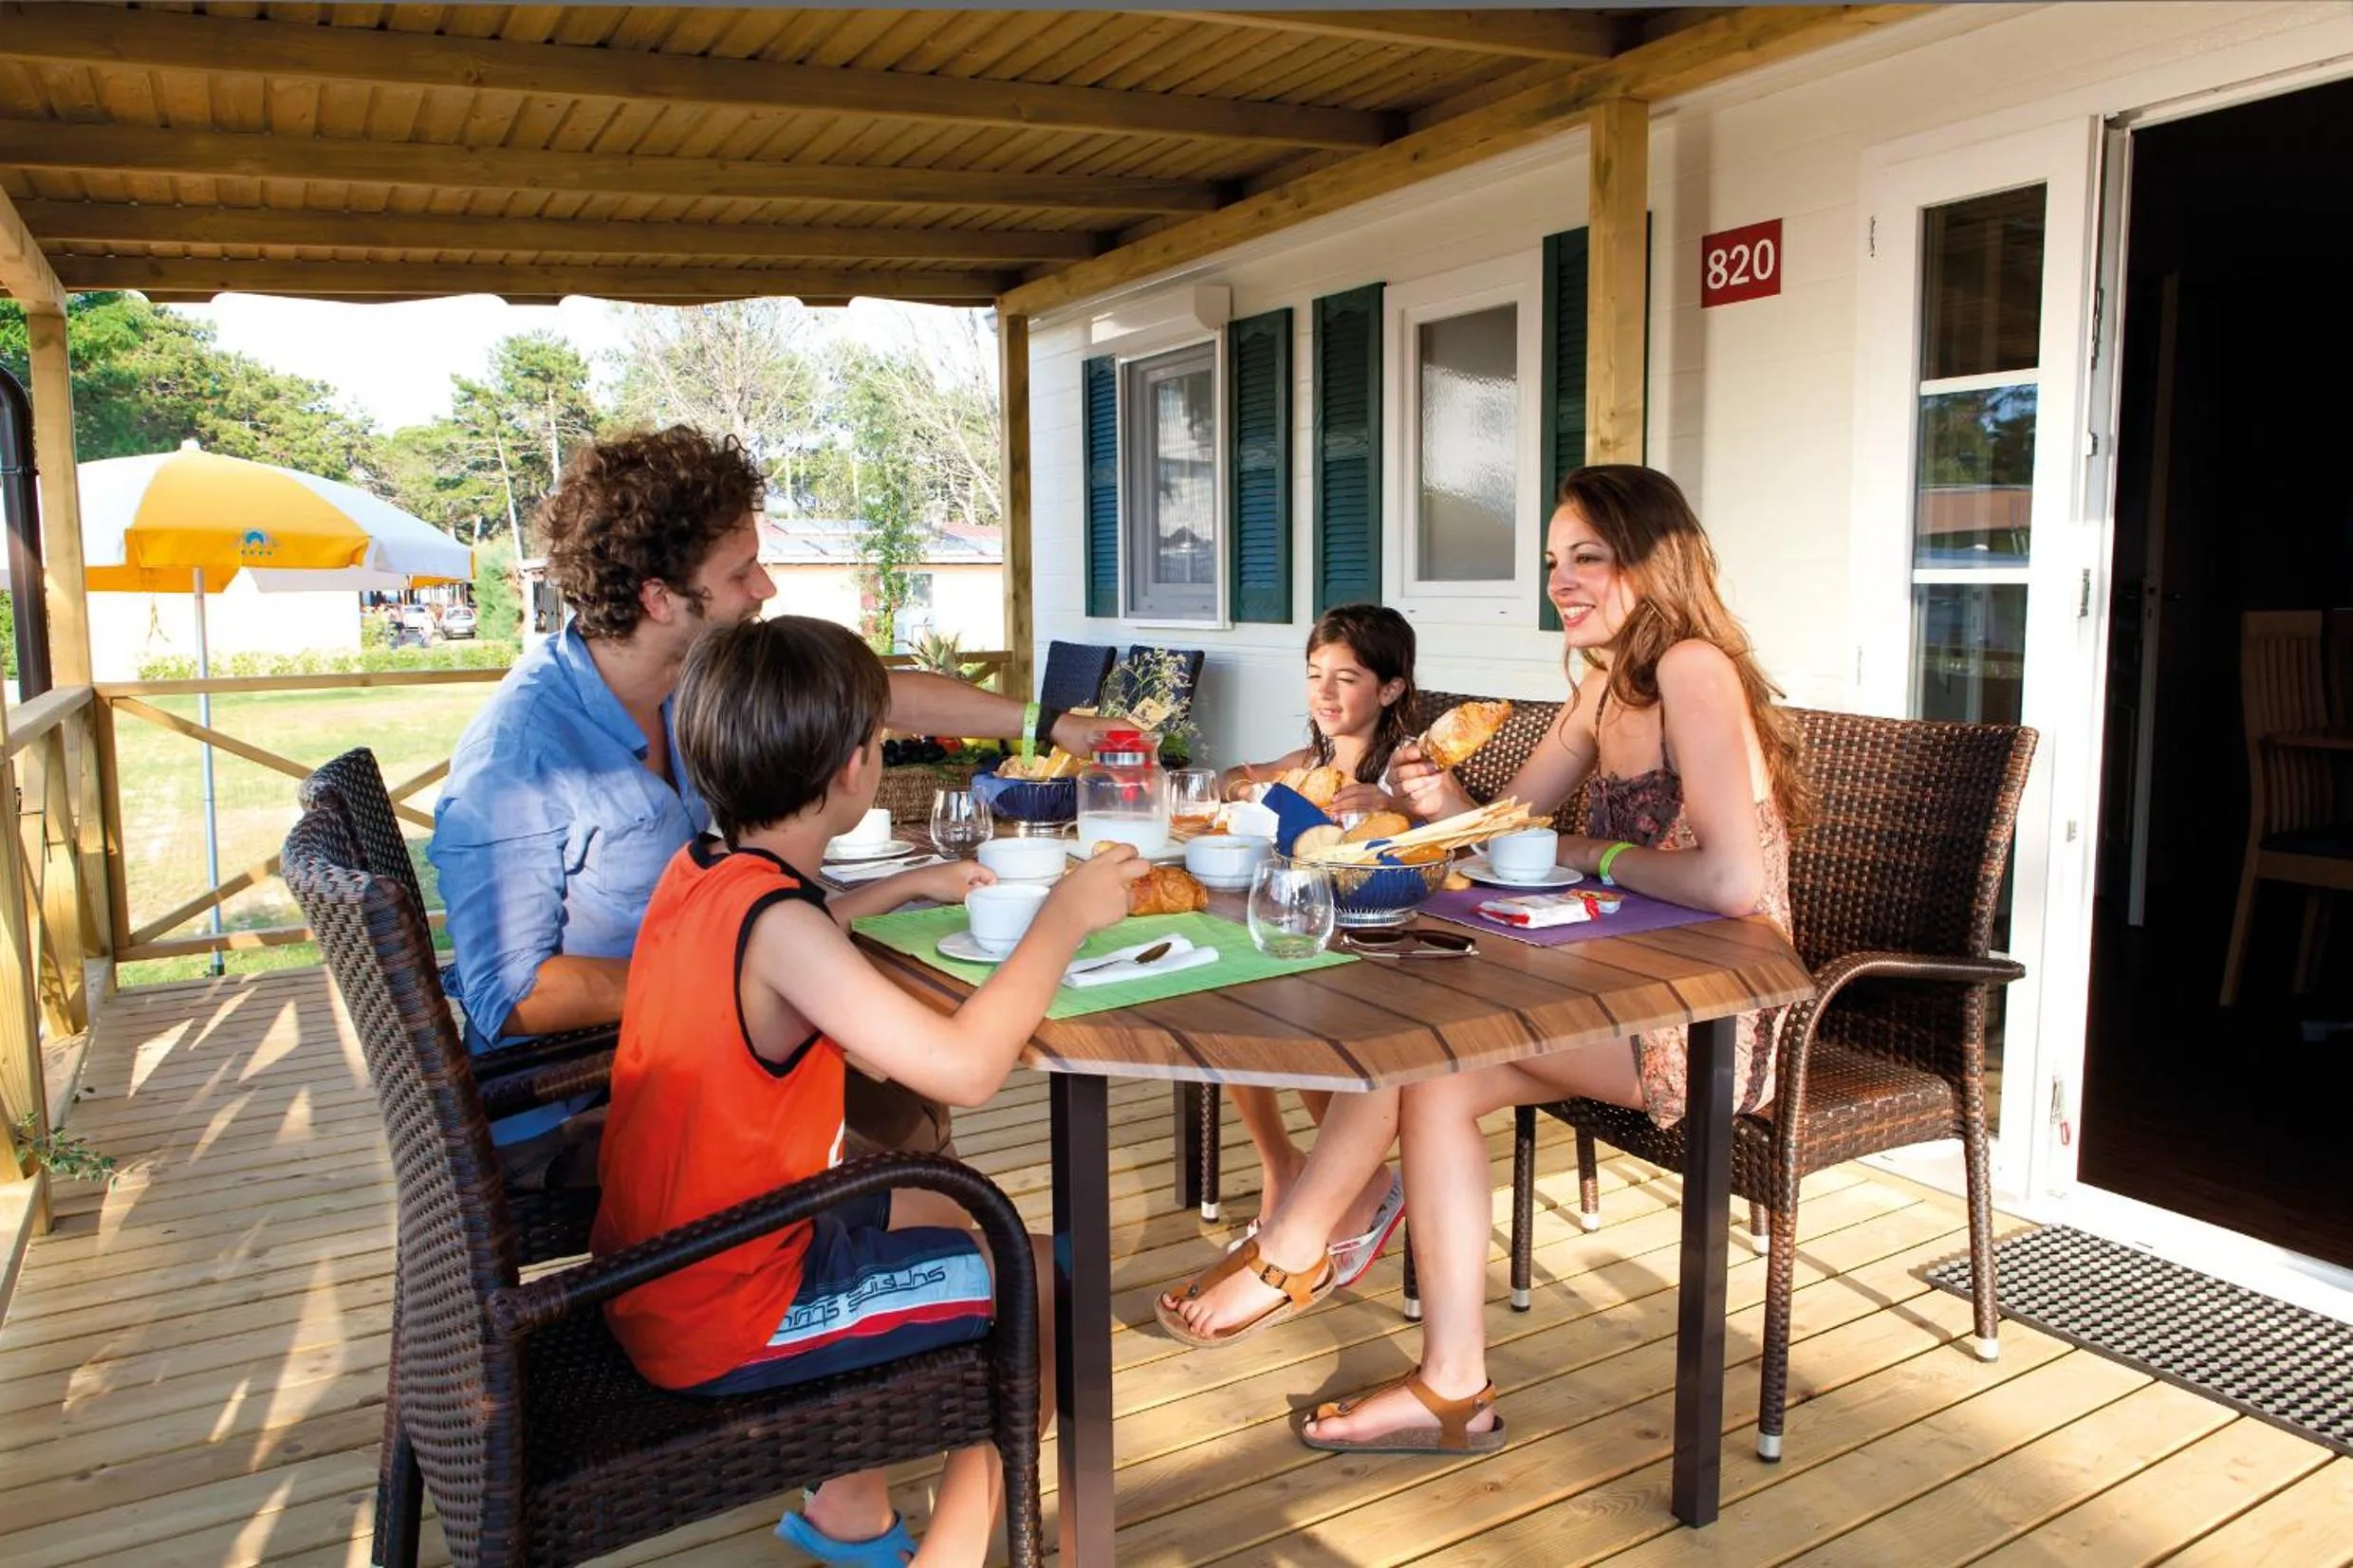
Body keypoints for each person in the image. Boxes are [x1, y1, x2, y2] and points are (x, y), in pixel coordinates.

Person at [1158, 467, 1806, 1457]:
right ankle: (1448, 1384)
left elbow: (1728, 884)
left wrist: (1576, 852)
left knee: (1427, 1045)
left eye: (1587, 555)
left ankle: (1295, 1246)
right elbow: (1496, 826)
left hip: (1712, 1015)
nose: (1562, 578)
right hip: (1622, 985)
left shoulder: (1690, 670)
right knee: (1429, 1070)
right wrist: (1433, 794)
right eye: (1553, 560)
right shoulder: (1601, 687)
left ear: (1652, 557)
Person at [429, 426, 1131, 1185]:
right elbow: (511, 997)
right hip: (571, 1103)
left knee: (905, 1109)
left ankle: (941, 1258)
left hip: (693, 1045)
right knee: (910, 1138)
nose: (764, 588)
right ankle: (932, 1261)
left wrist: (1048, 724)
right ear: (659, 598)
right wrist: (742, 977)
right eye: (742, 572)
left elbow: (865, 694)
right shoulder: (519, 757)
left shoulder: (691, 688)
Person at [593, 614, 1147, 1564]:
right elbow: (965, 1071)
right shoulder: (785, 928)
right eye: (880, 738)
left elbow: (784, 946)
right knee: (1047, 1278)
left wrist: (893, 891)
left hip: (658, 1265)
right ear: (854, 768)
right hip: (726, 1311)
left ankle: (847, 1510)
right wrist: (1063, 916)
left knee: (935, 1196)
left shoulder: (707, 872)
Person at [1215, 605, 1421, 1272]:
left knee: (1285, 1016)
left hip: (1382, 950)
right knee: (1232, 1005)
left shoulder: (1404, 769)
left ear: (1389, 689)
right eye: (1314, 675)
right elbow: (1231, 781)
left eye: (1347, 677)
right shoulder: (1307, 762)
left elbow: (1436, 836)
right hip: (1305, 933)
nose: (1325, 693)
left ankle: (1362, 1181)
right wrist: (1248, 785)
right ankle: (1283, 1164)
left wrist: (1394, 811)